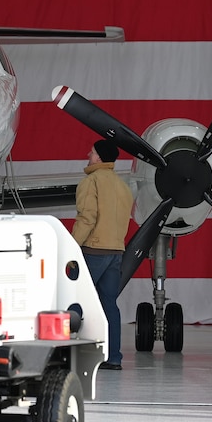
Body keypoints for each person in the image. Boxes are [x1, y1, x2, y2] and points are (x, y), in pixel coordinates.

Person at [72, 139, 134, 370]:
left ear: (98, 158)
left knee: (75, 300)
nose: (89, 153)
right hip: (116, 250)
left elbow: (87, 217)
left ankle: (65, 354)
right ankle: (113, 357)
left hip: (94, 250)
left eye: (93, 151)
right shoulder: (123, 186)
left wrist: (72, 245)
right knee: (109, 305)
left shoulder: (91, 182)